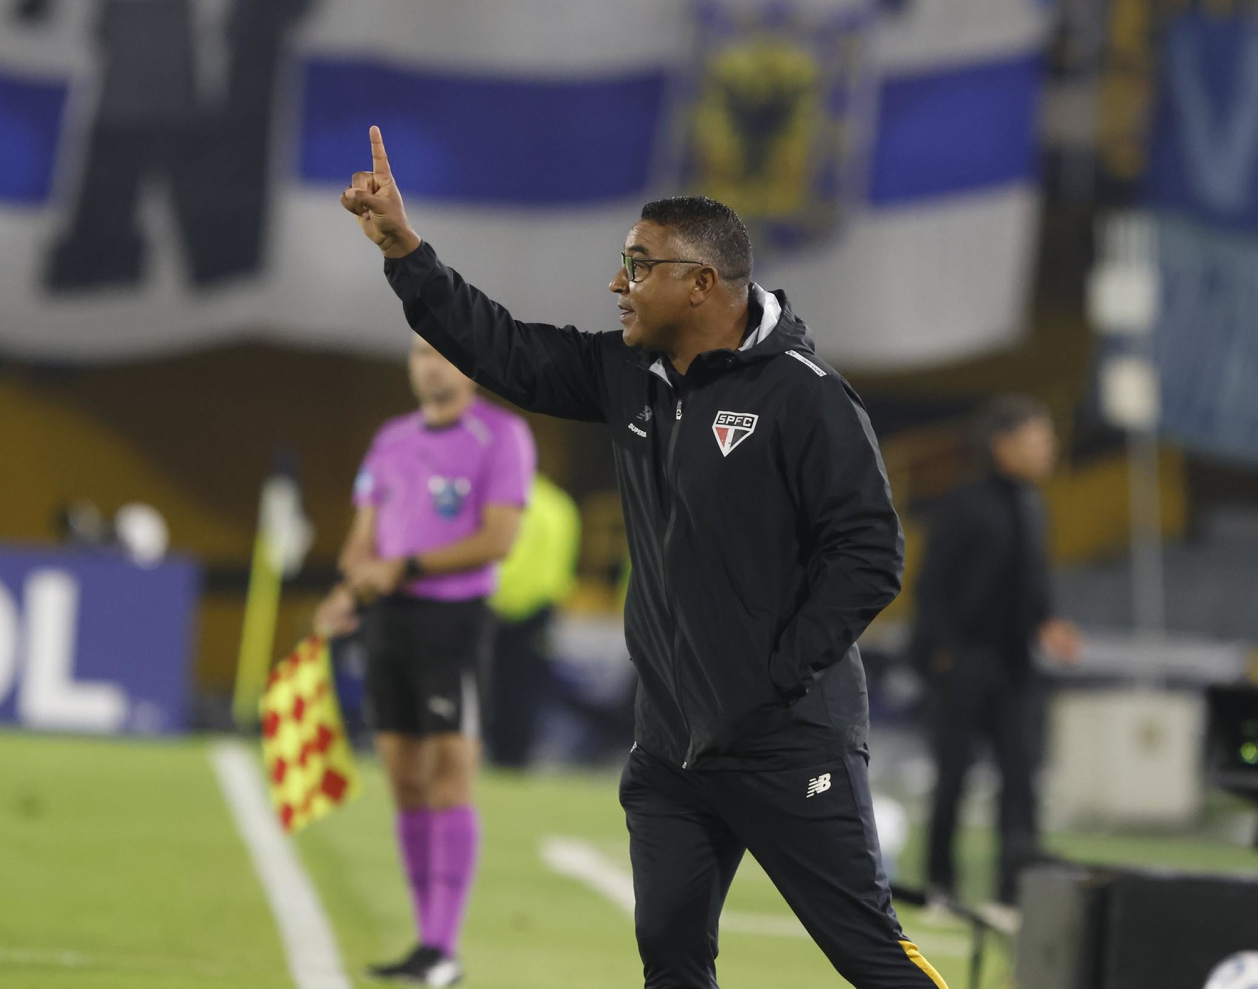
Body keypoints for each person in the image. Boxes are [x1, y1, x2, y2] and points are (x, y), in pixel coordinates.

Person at [340, 126, 947, 988]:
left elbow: (871, 554)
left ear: (701, 284)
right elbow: (502, 346)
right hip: (671, 750)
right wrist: (405, 250)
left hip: (787, 742)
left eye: (638, 263)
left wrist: (772, 675)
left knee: (869, 955)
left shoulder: (806, 398)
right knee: (668, 953)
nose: (617, 283)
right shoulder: (627, 373)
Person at [314, 334, 535, 987]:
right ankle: (424, 940)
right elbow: (362, 539)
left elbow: (499, 538)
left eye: (440, 352)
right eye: (417, 354)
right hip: (388, 623)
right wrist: (346, 590)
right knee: (404, 778)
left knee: (449, 775)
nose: (427, 365)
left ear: (470, 365)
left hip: (454, 622)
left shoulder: (502, 436)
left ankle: (444, 945)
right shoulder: (390, 438)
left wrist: (402, 566)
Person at [912, 395, 1082, 916]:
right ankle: (940, 884)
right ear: (1003, 445)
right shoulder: (964, 504)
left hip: (1014, 664)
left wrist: (1047, 623)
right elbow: (932, 585)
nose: (1048, 448)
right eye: (1038, 438)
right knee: (954, 777)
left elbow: (1031, 583)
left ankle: (1015, 889)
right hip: (963, 661)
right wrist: (943, 655)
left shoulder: (1033, 504)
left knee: (1021, 779)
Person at [486, 473, 581, 768]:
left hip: (496, 608)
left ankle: (499, 751)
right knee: (527, 686)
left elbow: (502, 559)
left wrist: (499, 600)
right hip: (538, 609)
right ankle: (517, 753)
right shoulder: (558, 504)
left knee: (493, 684)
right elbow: (559, 566)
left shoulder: (499, 499)